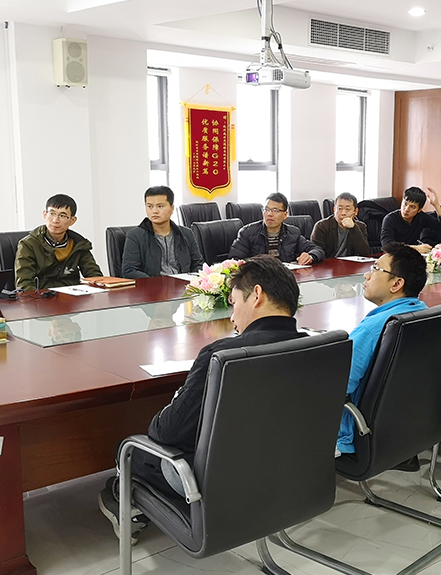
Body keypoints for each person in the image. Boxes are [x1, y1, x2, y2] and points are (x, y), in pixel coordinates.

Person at [98, 255, 307, 542]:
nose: (232, 317)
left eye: (234, 303)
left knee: (130, 449)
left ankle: (122, 495)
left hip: (222, 485)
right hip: (288, 475)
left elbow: (166, 432)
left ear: (256, 295)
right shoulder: (318, 345)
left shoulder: (223, 355)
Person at [336, 243, 428, 455]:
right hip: (401, 426)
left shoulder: (373, 329)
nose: (367, 275)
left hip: (352, 432)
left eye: (375, 269)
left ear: (396, 284)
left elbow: (336, 386)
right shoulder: (423, 312)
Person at [15, 194, 104, 291]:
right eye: (52, 213)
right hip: (42, 297)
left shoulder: (79, 244)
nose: (55, 220)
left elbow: (95, 277)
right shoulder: (29, 244)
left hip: (73, 297)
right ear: (45, 215)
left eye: (62, 216)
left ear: (72, 220)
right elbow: (24, 285)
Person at [122, 186, 204, 278]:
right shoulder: (135, 236)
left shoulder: (186, 234)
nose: (154, 211)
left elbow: (198, 265)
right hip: (153, 285)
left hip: (184, 284)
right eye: (150, 206)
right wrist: (155, 283)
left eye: (160, 206)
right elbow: (129, 271)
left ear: (172, 208)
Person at [228, 192, 324, 265]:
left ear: (285, 215)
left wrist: (310, 256)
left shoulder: (293, 233)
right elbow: (234, 261)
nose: (269, 214)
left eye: (275, 210)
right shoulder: (247, 232)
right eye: (266, 209)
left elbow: (317, 250)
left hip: (285, 279)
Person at [379, 186, 441, 253]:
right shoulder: (390, 219)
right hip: (393, 255)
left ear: (419, 210)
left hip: (411, 256)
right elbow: (387, 245)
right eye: (405, 204)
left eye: (412, 207)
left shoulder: (421, 217)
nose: (406, 209)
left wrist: (437, 206)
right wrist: (414, 248)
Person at [310, 192, 370, 258]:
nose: (343, 213)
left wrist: (353, 228)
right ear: (334, 210)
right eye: (340, 208)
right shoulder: (322, 226)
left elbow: (364, 252)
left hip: (351, 263)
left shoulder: (361, 226)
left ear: (356, 211)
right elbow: (317, 253)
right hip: (330, 263)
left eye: (347, 209)